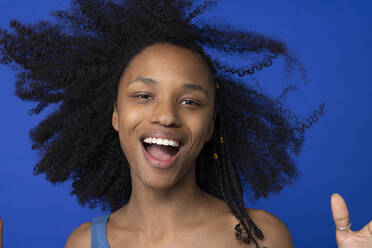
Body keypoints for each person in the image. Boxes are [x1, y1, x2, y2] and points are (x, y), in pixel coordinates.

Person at [0, 0, 371, 247]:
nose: (166, 115)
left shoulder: (261, 237)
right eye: (144, 95)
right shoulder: (84, 243)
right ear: (115, 114)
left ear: (210, 126)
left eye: (190, 101)